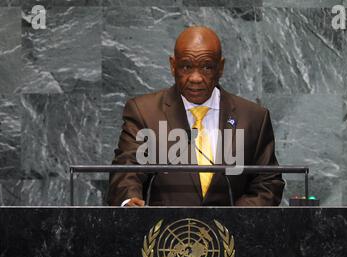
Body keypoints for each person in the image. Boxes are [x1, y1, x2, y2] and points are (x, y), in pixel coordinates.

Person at [107, 26, 285, 207]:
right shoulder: (144, 112)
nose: (196, 78)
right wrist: (129, 202)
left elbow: (268, 184)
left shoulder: (253, 117)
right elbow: (127, 169)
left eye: (207, 67)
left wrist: (233, 219)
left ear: (220, 68)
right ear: (173, 66)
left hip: (231, 233)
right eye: (186, 66)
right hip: (164, 231)